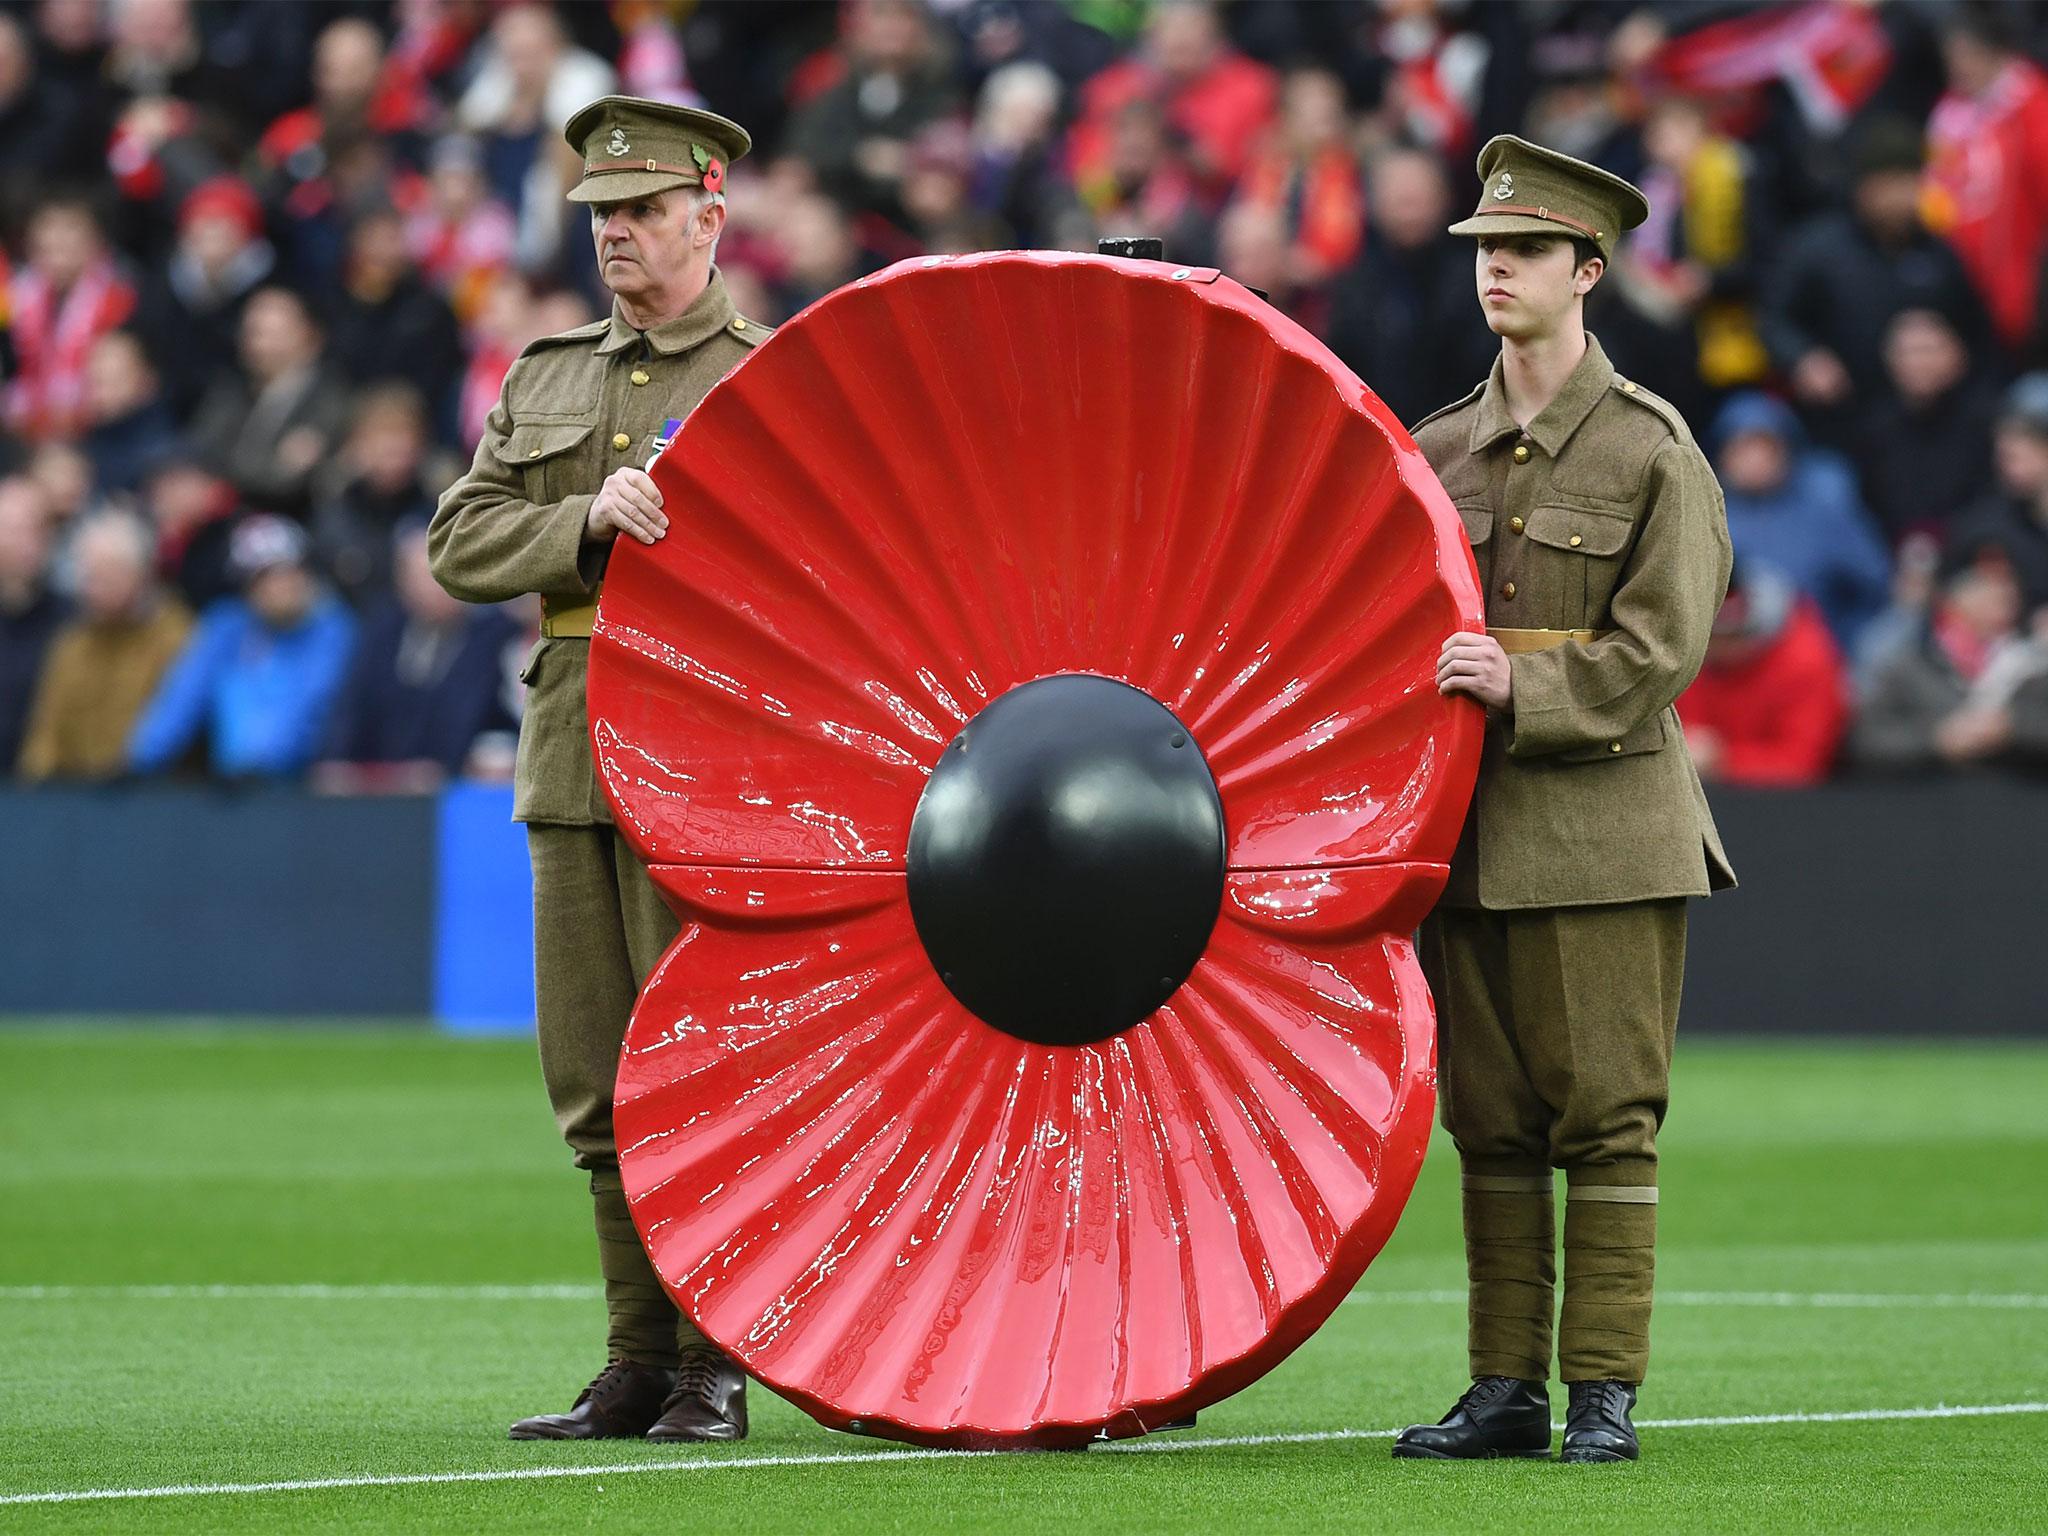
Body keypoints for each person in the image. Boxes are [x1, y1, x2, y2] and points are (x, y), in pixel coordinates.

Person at [430, 94, 770, 1445]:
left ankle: (716, 1364)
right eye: (599, 217)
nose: (615, 236)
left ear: (709, 215)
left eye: (639, 212)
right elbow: (461, 543)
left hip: (712, 748)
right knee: (596, 1074)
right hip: (573, 741)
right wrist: (583, 522)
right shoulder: (548, 371)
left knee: (706, 1066)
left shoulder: (768, 373)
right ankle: (637, 1361)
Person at [1402, 135, 1735, 1464]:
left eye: (1526, 252)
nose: (1498, 273)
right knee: (1487, 1124)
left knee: (1606, 1120)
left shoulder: (1653, 447)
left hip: (1605, 833)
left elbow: (1667, 648)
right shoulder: (1438, 453)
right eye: (1485, 252)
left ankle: (1601, 1389)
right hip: (1474, 840)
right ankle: (1503, 1391)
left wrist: (1513, 685)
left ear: (1589, 272)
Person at [127, 515, 355, 779]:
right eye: (265, 576)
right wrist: (139, 761)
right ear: (246, 587)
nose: (281, 586)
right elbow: (182, 698)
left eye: (290, 571)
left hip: (302, 789)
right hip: (234, 790)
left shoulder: (333, 631)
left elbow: (314, 711)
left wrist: (267, 765)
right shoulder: (226, 628)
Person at [17, 510, 190, 780]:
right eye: (88, 577)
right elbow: (45, 736)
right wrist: (34, 785)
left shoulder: (176, 637)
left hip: (147, 795)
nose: (93, 588)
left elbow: (176, 732)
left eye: (106, 576)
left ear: (140, 573)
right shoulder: (73, 642)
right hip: (70, 796)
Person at [1676, 560, 1850, 787]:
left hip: (1782, 806)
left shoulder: (1806, 661)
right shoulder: (1689, 654)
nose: (1712, 648)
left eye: (1725, 638)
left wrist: (1722, 760)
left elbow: (1801, 764)